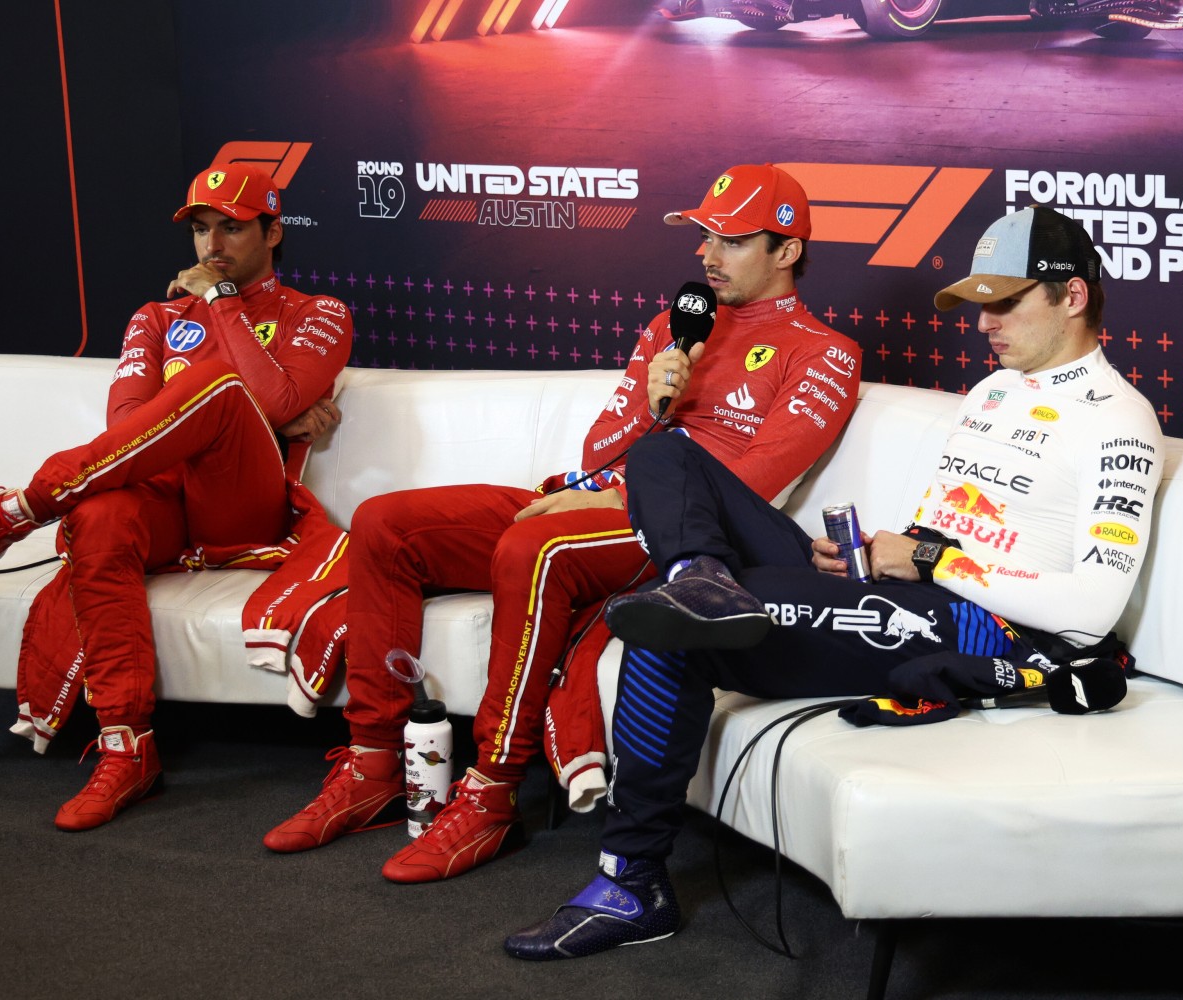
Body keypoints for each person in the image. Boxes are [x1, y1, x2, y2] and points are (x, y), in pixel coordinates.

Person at [504, 205, 1165, 960]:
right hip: (910, 588)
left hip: (986, 627)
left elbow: (1087, 613)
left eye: (1005, 301)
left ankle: (633, 885)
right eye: (979, 303)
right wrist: (866, 562)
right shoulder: (993, 392)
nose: (984, 321)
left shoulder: (1120, 421)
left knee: (668, 628)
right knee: (666, 460)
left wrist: (924, 562)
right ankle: (701, 575)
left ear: (1072, 297)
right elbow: (952, 531)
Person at [261, 164, 863, 884]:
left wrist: (604, 503)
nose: (706, 254)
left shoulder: (825, 354)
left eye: (730, 241)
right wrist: (651, 402)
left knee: (533, 546)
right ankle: (375, 764)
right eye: (703, 236)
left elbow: (743, 487)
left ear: (787, 250)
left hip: (671, 538)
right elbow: (597, 451)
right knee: (385, 522)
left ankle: (489, 793)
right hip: (587, 503)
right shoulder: (675, 327)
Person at [0, 164, 352, 831]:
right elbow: (125, 433)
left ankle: (14, 511)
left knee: (218, 388)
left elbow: (272, 399)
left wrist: (224, 307)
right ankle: (126, 746)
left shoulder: (319, 313)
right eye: (202, 229)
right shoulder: (152, 318)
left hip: (248, 511)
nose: (213, 245)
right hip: (161, 509)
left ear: (273, 231)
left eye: (231, 227)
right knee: (97, 513)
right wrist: (272, 405)